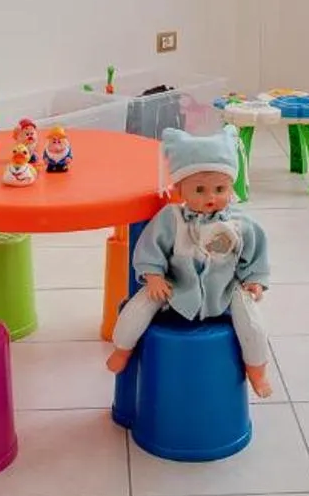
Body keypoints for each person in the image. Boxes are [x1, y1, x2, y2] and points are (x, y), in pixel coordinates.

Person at [106, 125, 271, 396]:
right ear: (181, 190)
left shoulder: (240, 223)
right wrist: (154, 276)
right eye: (200, 190)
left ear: (231, 186)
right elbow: (150, 248)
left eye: (220, 188)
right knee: (136, 308)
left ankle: (257, 371)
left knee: (252, 322)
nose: (210, 197)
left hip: (225, 289)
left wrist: (254, 281)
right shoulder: (171, 219)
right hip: (175, 286)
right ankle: (122, 349)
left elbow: (256, 253)